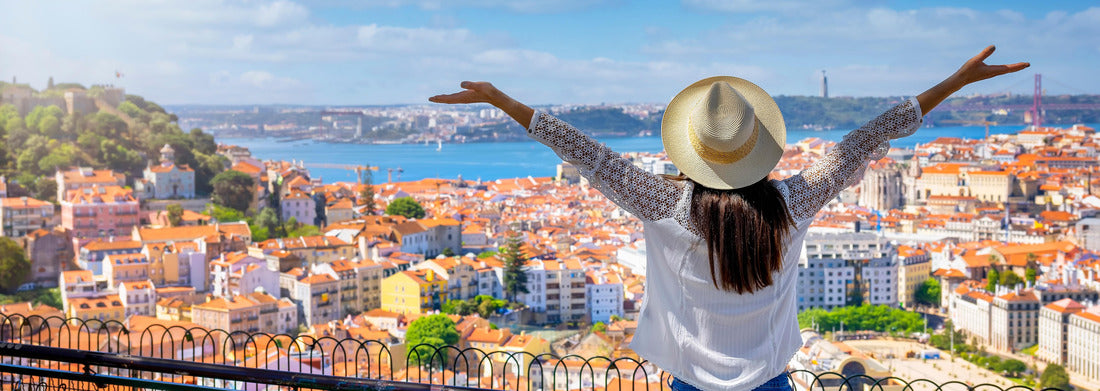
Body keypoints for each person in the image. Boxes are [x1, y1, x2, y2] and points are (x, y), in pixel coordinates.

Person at [430, 46, 1027, 391]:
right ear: (758, 148)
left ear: (692, 153)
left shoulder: (665, 206)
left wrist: (501, 100)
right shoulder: (791, 206)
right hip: (771, 384)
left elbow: (586, 152)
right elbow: (864, 141)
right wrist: (955, 81)